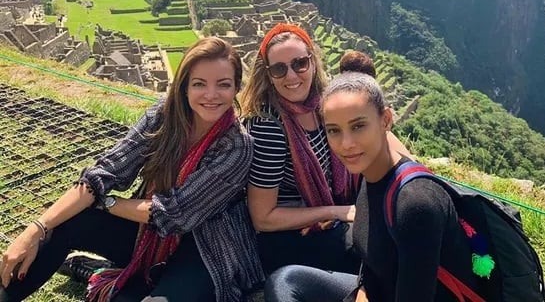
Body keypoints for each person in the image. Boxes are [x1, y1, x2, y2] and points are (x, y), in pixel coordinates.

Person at [0, 37, 263, 302]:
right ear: (184, 87)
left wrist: (108, 202)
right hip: (147, 234)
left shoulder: (237, 146)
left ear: (236, 88)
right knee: (62, 223)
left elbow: (173, 214)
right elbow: (104, 173)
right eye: (199, 84)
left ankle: (97, 271)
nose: (210, 95)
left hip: (206, 248)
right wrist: (34, 230)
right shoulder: (163, 117)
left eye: (223, 85)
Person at [264, 72, 476, 302]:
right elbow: (373, 269)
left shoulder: (415, 204)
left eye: (358, 126)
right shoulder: (370, 179)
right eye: (334, 130)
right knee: (286, 282)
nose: (346, 144)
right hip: (383, 291)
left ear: (385, 120)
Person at [240, 23, 359, 275]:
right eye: (279, 69)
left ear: (313, 63)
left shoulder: (322, 106)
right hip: (288, 239)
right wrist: (333, 212)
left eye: (299, 64)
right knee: (377, 246)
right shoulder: (269, 125)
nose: (291, 76)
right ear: (268, 75)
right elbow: (263, 217)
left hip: (324, 223)